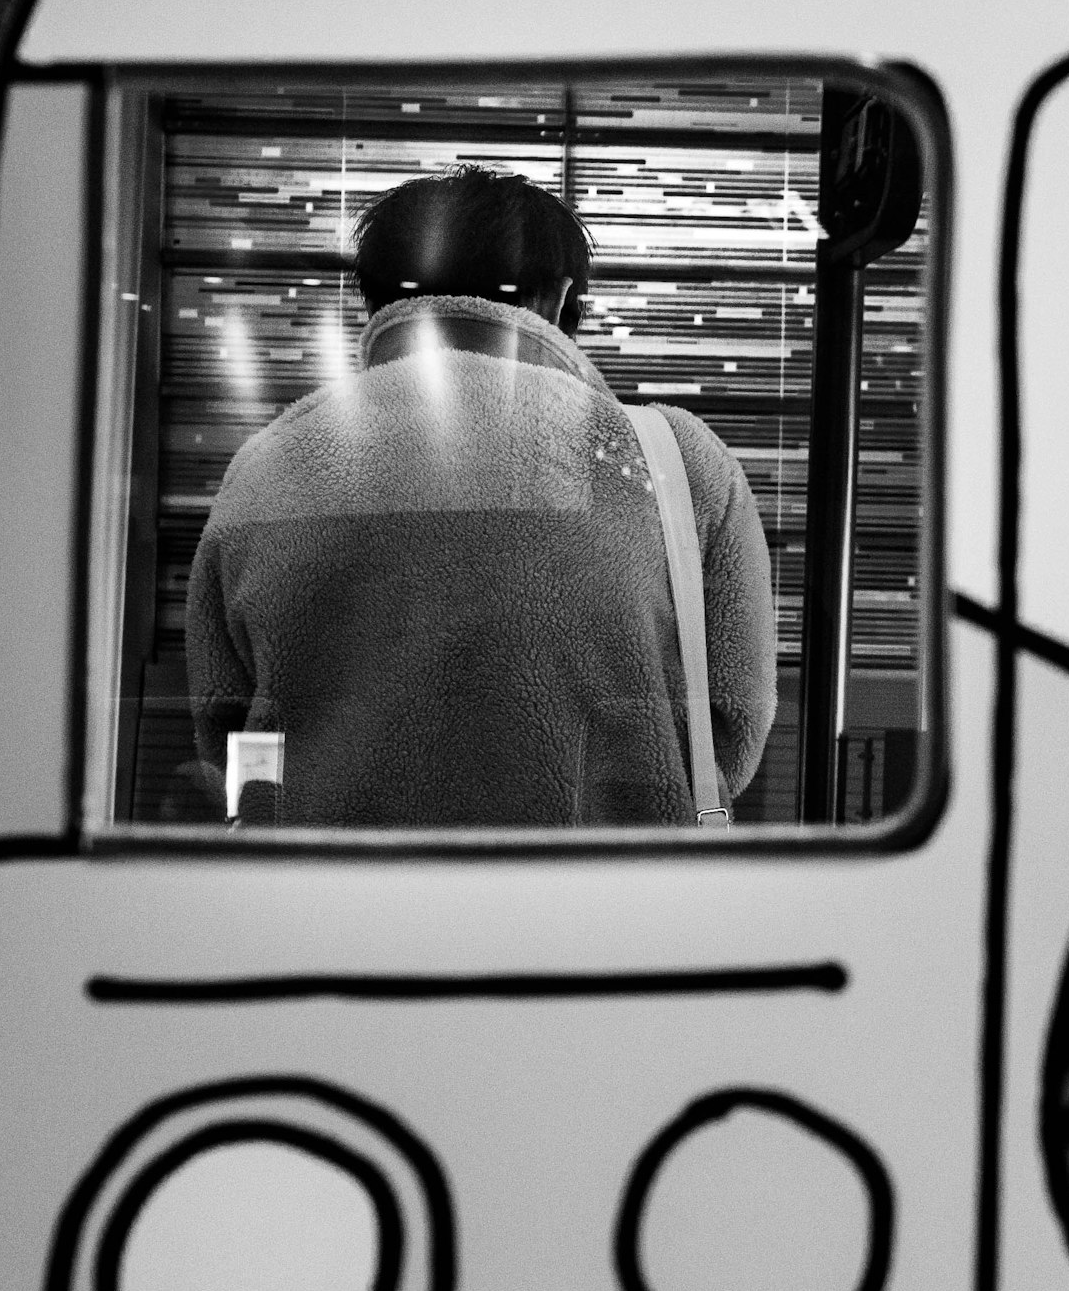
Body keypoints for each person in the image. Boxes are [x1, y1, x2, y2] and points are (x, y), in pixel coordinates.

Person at [185, 168, 776, 826]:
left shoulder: (268, 465)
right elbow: (733, 724)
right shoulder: (673, 460)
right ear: (557, 298)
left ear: (376, 300)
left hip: (328, 905)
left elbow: (229, 726)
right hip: (609, 906)